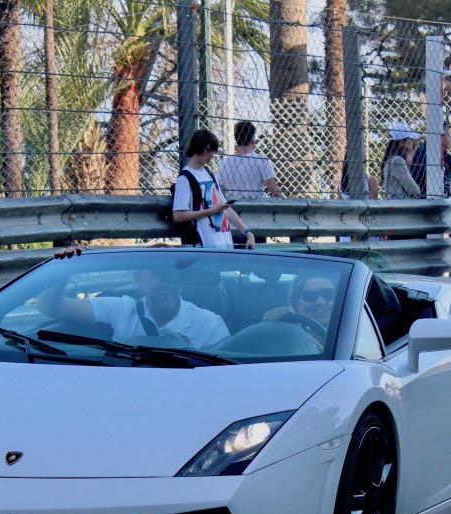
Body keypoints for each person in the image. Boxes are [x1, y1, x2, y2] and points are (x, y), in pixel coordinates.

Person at [37, 262, 230, 349]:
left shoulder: (209, 325)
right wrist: (63, 269)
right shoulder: (119, 309)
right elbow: (50, 307)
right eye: (158, 274)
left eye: (173, 275)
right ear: (139, 278)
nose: (167, 284)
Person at [173, 129, 255, 249]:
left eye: (213, 151)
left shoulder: (209, 174)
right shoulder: (185, 178)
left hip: (223, 243)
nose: (211, 155)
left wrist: (247, 232)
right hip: (204, 246)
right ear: (197, 148)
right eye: (208, 150)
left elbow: (224, 207)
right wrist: (209, 212)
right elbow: (178, 215)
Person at [263, 274, 337, 336]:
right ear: (296, 304)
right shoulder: (285, 335)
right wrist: (277, 320)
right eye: (310, 296)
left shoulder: (347, 336)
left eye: (329, 294)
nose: (320, 302)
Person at [380, 123, 422, 200]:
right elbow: (414, 190)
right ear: (402, 142)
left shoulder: (391, 159)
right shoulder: (397, 161)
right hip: (399, 204)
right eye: (411, 139)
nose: (413, 143)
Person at [412, 129, 451, 197]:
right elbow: (427, 179)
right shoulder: (422, 153)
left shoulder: (444, 154)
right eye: (449, 136)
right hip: (424, 195)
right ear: (441, 137)